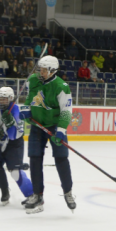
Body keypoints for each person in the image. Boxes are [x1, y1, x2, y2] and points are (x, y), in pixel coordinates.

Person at [23, 56, 75, 213]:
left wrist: (61, 131)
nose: (41, 72)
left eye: (44, 70)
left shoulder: (61, 86)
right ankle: (37, 195)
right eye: (40, 69)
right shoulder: (34, 80)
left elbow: (66, 111)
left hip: (55, 127)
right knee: (34, 159)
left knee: (61, 158)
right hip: (37, 126)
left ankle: (68, 192)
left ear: (53, 71)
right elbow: (29, 98)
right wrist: (26, 109)